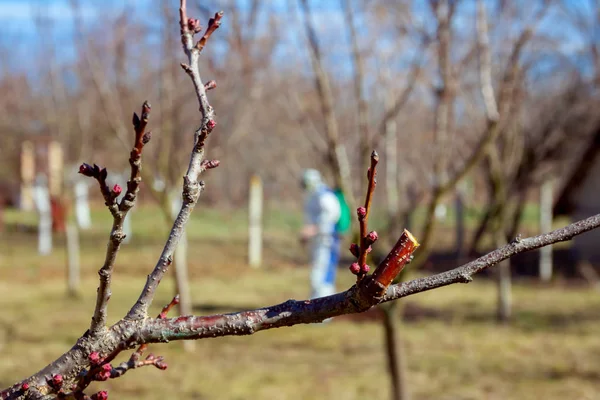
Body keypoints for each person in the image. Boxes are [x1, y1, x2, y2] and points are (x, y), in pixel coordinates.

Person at [300, 169, 341, 299]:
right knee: (316, 275)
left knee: (322, 276)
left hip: (326, 241)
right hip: (318, 242)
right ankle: (314, 307)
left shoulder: (324, 195)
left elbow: (332, 215)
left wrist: (314, 229)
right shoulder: (313, 196)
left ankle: (324, 311)